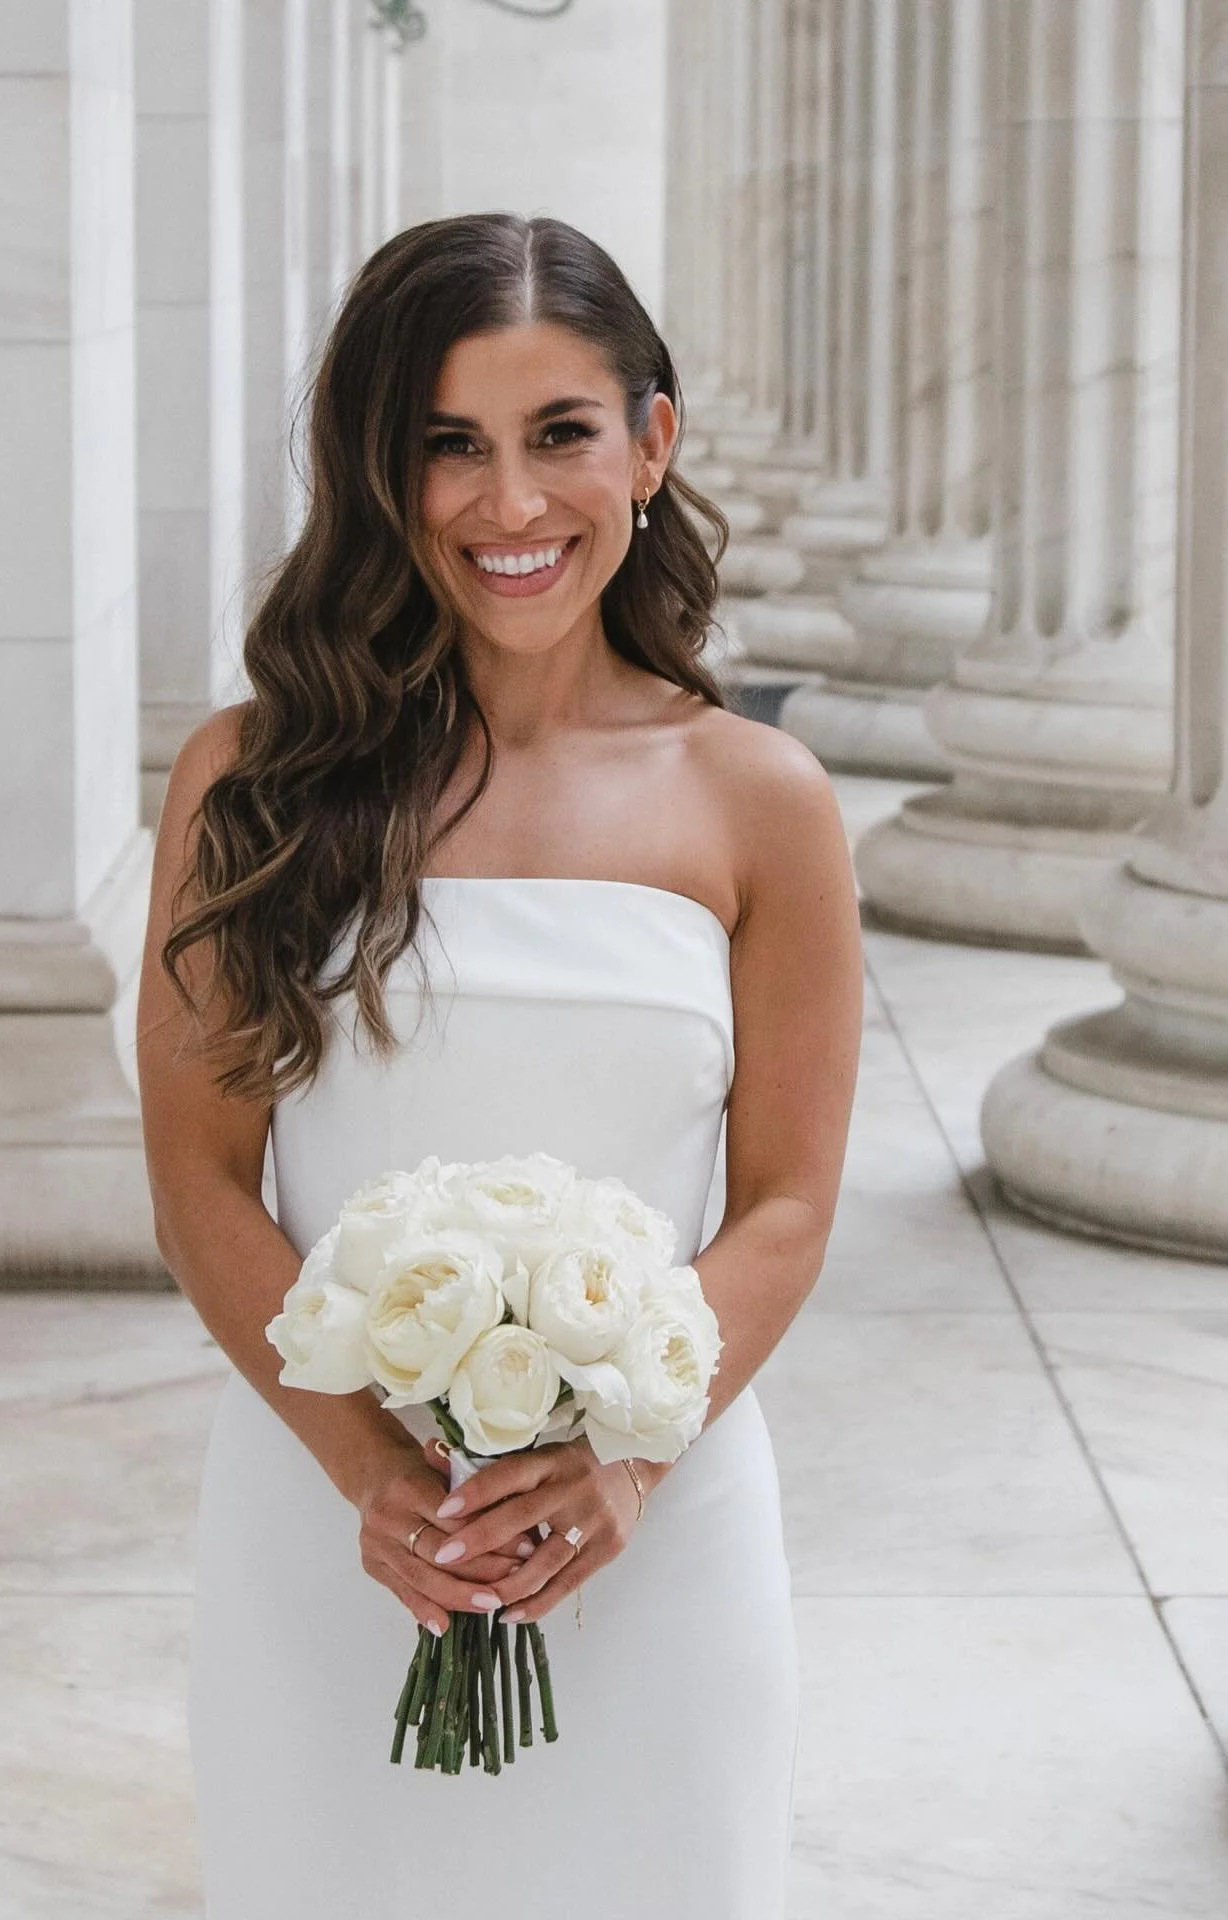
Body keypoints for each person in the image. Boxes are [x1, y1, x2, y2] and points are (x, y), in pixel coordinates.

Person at [137, 212, 861, 1919]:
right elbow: (198, 1179)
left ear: (652, 444)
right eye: (449, 445)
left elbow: (786, 1203)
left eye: (561, 437)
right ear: (383, 470)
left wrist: (622, 1467)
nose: (509, 504)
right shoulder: (254, 776)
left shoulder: (761, 799)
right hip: (330, 1534)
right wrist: (375, 1476)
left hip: (660, 1533)